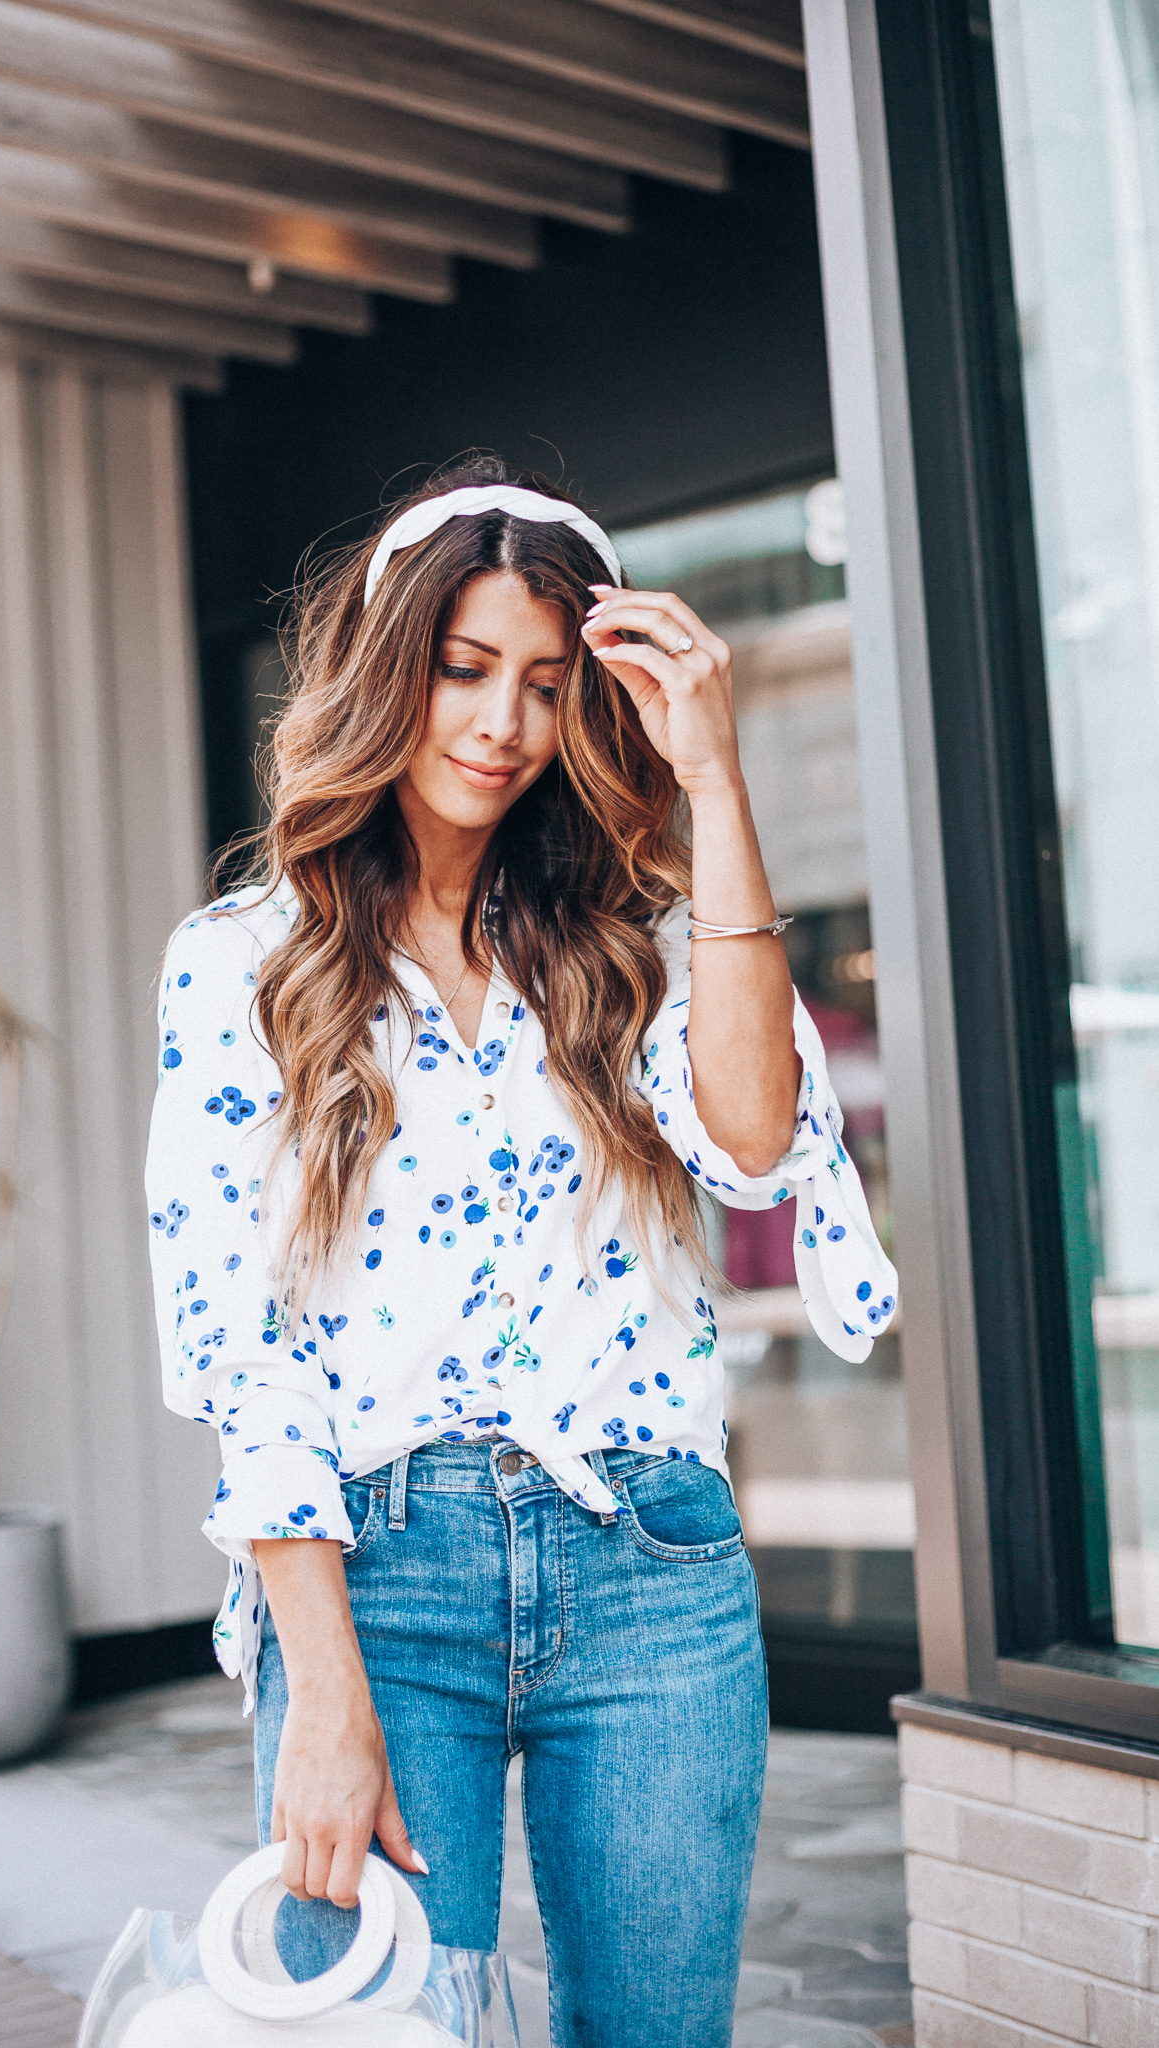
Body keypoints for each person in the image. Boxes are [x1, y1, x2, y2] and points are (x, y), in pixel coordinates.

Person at [145, 461, 897, 2047]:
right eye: (464, 670)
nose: (499, 723)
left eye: (544, 686)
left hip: (650, 1562)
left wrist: (714, 784)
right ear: (387, 668)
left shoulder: (618, 936)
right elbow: (239, 1344)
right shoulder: (244, 966)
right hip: (380, 1571)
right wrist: (322, 1694)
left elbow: (754, 1142)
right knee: (379, 2023)